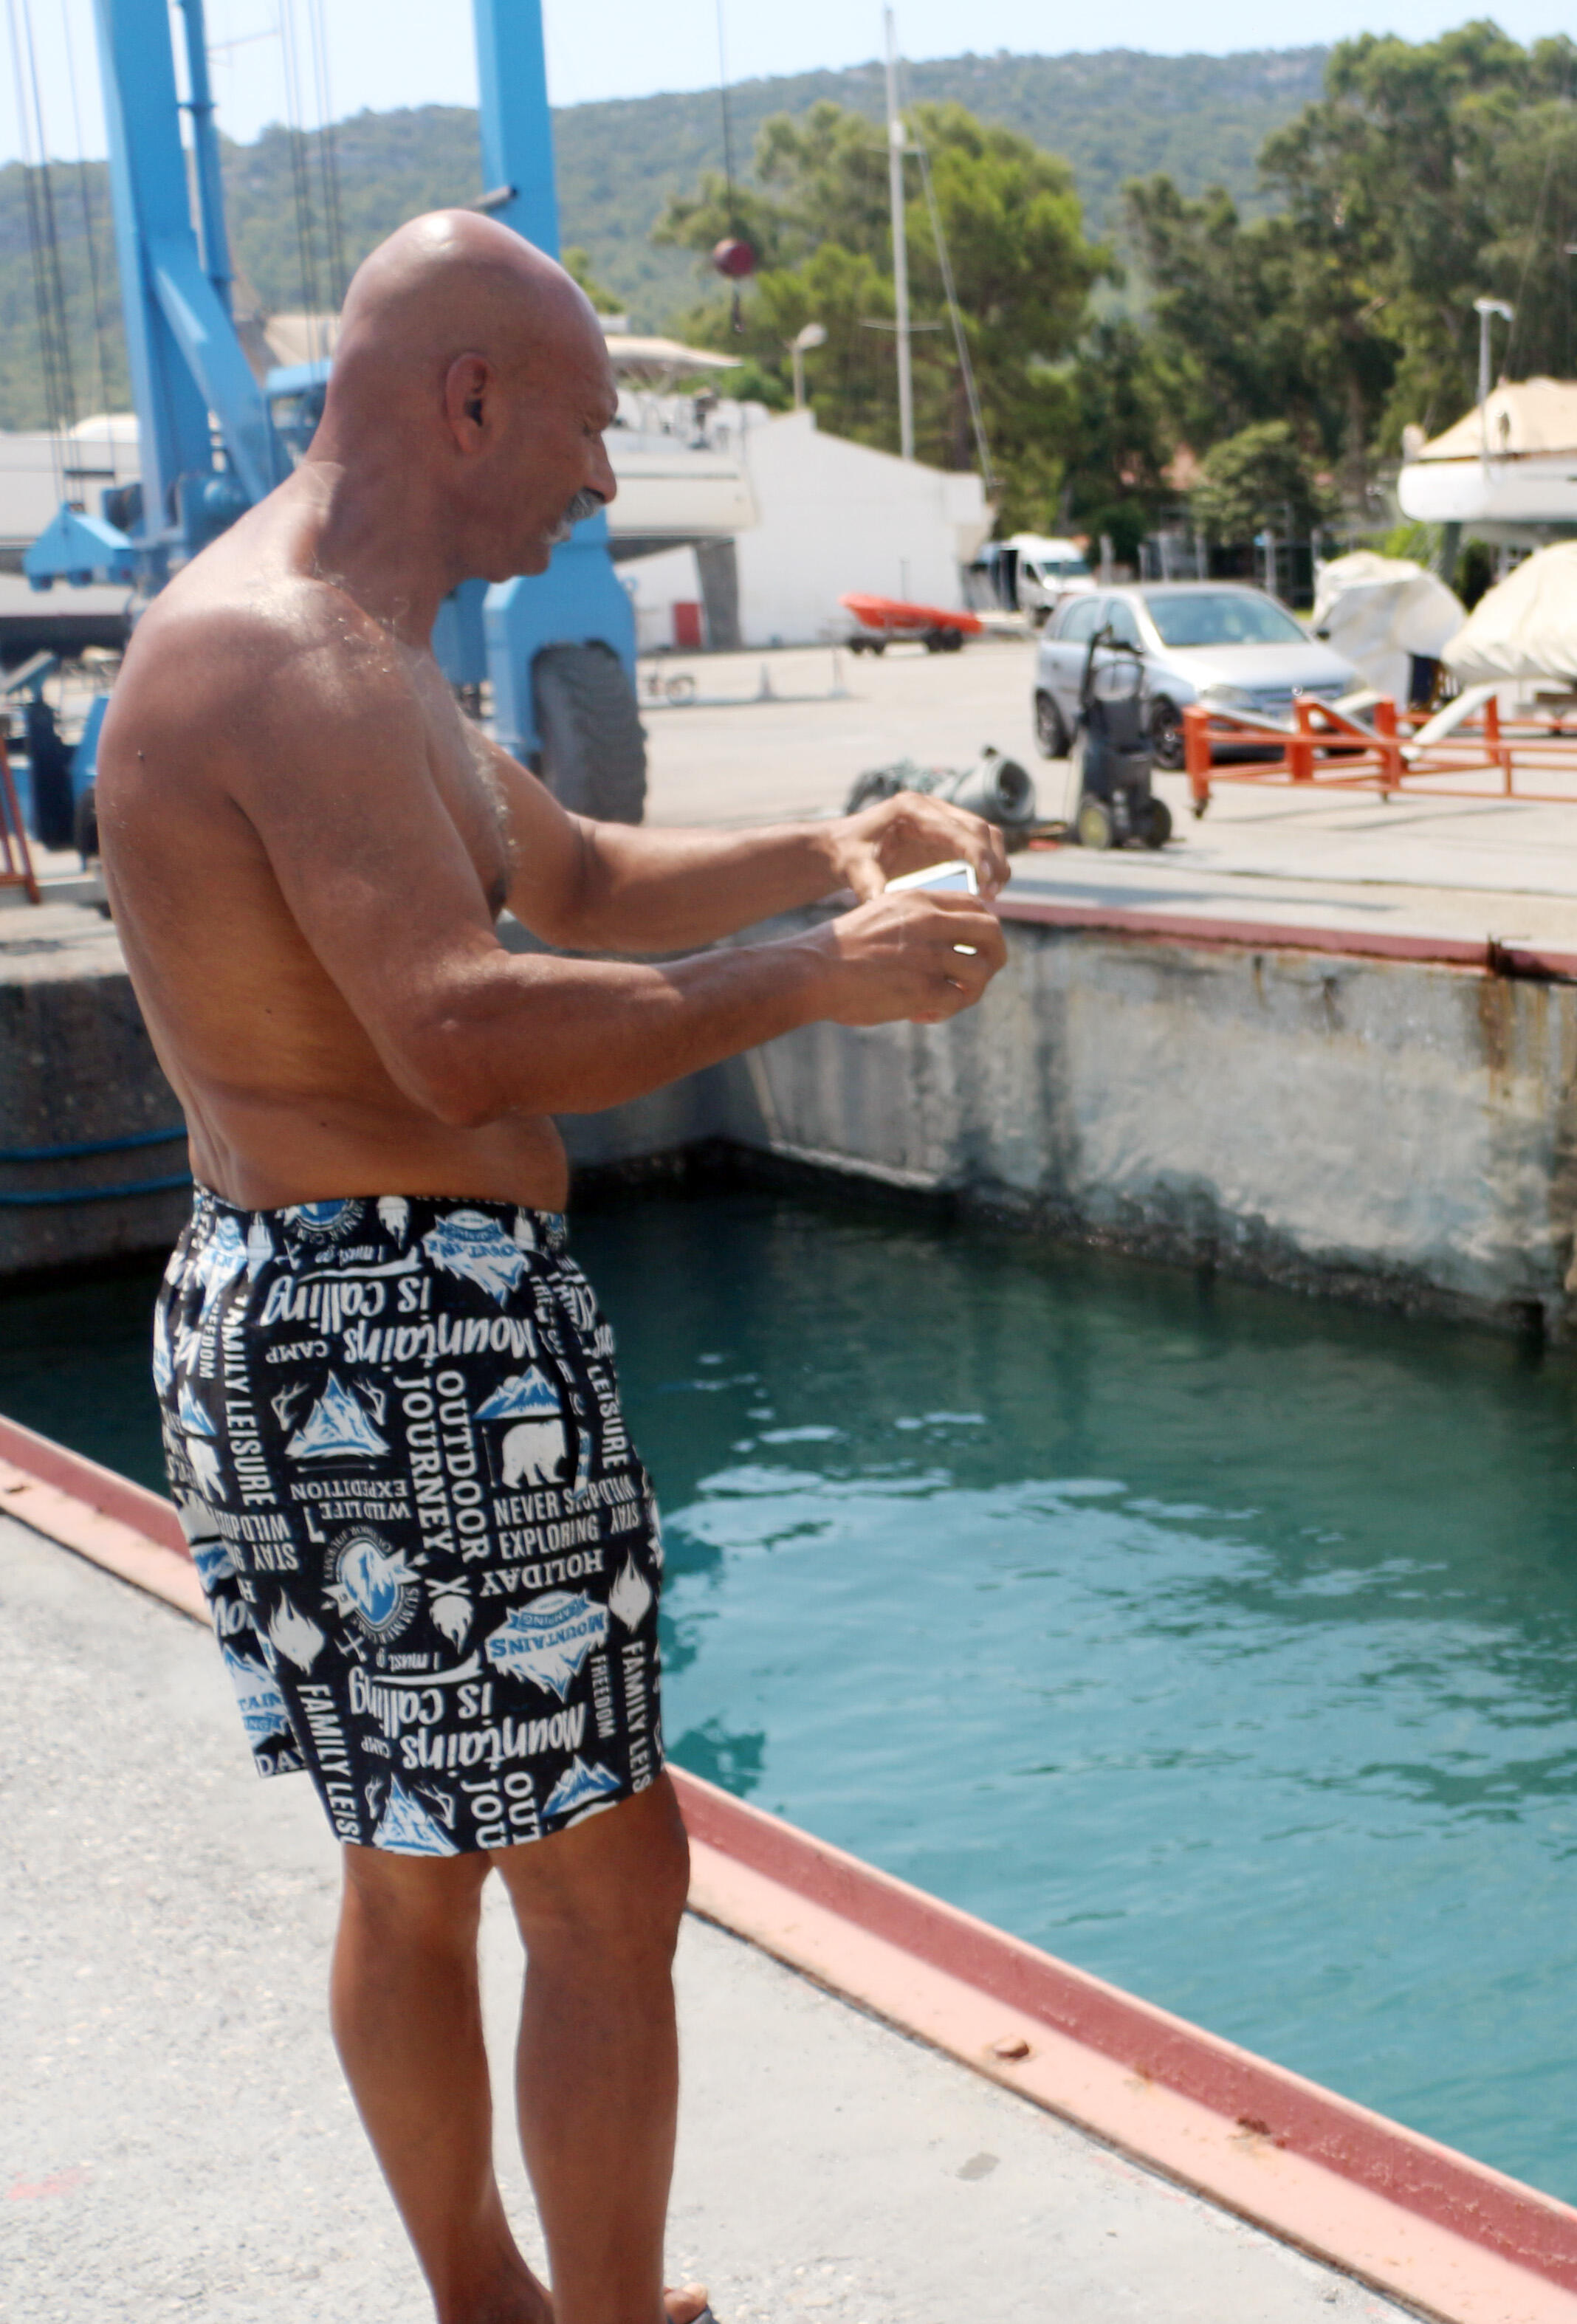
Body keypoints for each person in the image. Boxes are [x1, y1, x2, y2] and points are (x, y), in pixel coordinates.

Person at [96, 210, 1009, 2324]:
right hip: (407, 1330)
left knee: (413, 1862)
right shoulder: (300, 660)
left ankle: (491, 2303)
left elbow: (574, 876)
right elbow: (457, 1031)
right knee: (607, 1884)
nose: (602, 478)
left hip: (291, 1306)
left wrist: (831, 846)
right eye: (589, 428)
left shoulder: (336, 644)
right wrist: (818, 975)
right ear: (469, 397)